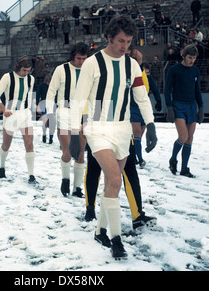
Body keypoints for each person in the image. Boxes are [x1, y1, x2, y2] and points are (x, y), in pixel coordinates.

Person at [69, 15, 157, 259]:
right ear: (109, 37)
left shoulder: (132, 65)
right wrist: (76, 132)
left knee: (111, 185)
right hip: (97, 128)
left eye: (128, 42)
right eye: (120, 40)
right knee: (115, 179)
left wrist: (150, 124)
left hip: (122, 130)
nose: (124, 46)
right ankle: (116, 239)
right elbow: (79, 98)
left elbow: (140, 96)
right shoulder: (92, 63)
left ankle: (100, 231)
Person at [46, 42, 90, 198]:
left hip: (83, 114)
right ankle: (65, 179)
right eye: (79, 58)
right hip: (64, 112)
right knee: (67, 152)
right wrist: (49, 114)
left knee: (80, 154)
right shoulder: (61, 70)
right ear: (73, 56)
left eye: (85, 58)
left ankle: (77, 188)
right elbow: (51, 93)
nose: (82, 62)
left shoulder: (90, 70)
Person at [0, 56, 37, 183]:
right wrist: (3, 109)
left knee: (29, 144)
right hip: (10, 114)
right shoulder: (7, 77)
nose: (26, 73)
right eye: (24, 70)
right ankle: (2, 167)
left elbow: (29, 95)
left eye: (28, 70)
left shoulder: (31, 79)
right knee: (6, 145)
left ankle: (31, 175)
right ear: (18, 67)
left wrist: (31, 108)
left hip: (25, 113)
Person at [164, 44, 204, 178]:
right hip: (178, 106)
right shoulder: (174, 70)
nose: (192, 60)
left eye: (194, 58)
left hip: (192, 106)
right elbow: (167, 89)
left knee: (190, 139)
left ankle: (183, 169)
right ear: (183, 56)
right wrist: (169, 107)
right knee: (183, 137)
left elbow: (197, 90)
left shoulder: (195, 71)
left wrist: (201, 107)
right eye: (190, 57)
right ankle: (173, 158)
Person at [131, 61, 161, 168]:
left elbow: (155, 89)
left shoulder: (149, 78)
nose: (145, 74)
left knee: (140, 133)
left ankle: (133, 153)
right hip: (132, 107)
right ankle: (139, 158)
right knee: (137, 132)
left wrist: (158, 101)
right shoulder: (132, 76)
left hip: (143, 108)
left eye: (147, 72)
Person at [36, 74, 55, 144]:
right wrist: (38, 105)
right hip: (43, 104)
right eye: (48, 82)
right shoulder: (42, 86)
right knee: (45, 121)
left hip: (52, 105)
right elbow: (38, 95)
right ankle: (44, 135)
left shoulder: (54, 87)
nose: (49, 83)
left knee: (52, 122)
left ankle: (51, 137)